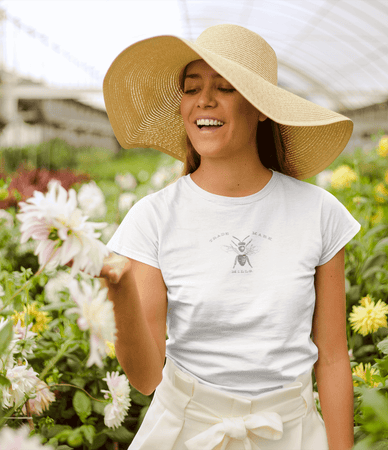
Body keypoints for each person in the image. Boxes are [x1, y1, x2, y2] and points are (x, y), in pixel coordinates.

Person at [100, 23, 360, 450]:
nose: (204, 100)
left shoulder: (318, 213)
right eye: (191, 87)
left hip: (291, 433)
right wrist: (119, 292)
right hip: (185, 432)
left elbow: (332, 357)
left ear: (260, 107)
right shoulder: (152, 218)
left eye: (225, 87)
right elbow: (147, 378)